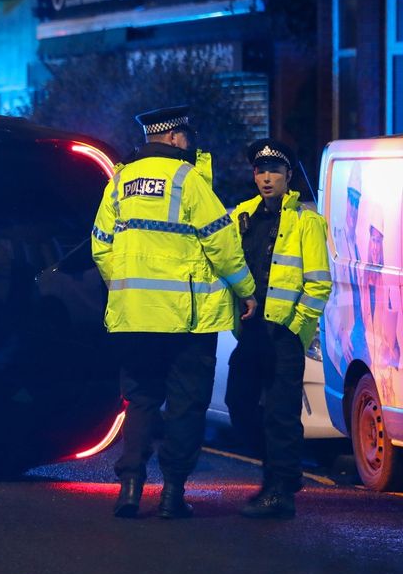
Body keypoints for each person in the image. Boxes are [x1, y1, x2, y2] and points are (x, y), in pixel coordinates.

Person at [92, 105, 257, 519]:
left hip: (134, 317)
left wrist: (128, 288)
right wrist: (246, 289)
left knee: (141, 401)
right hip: (186, 318)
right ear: (172, 138)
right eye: (187, 135)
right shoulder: (188, 180)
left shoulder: (119, 181)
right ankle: (172, 495)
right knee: (185, 406)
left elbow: (100, 245)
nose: (191, 141)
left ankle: (129, 488)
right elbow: (221, 241)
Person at [226, 139, 332, 519]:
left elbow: (319, 282)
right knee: (238, 403)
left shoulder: (306, 222)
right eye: (260, 171)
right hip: (251, 332)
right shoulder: (243, 216)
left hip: (284, 334)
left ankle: (279, 491)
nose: (266, 178)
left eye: (274, 171)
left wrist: (297, 329)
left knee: (281, 414)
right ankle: (284, 475)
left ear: (289, 176)